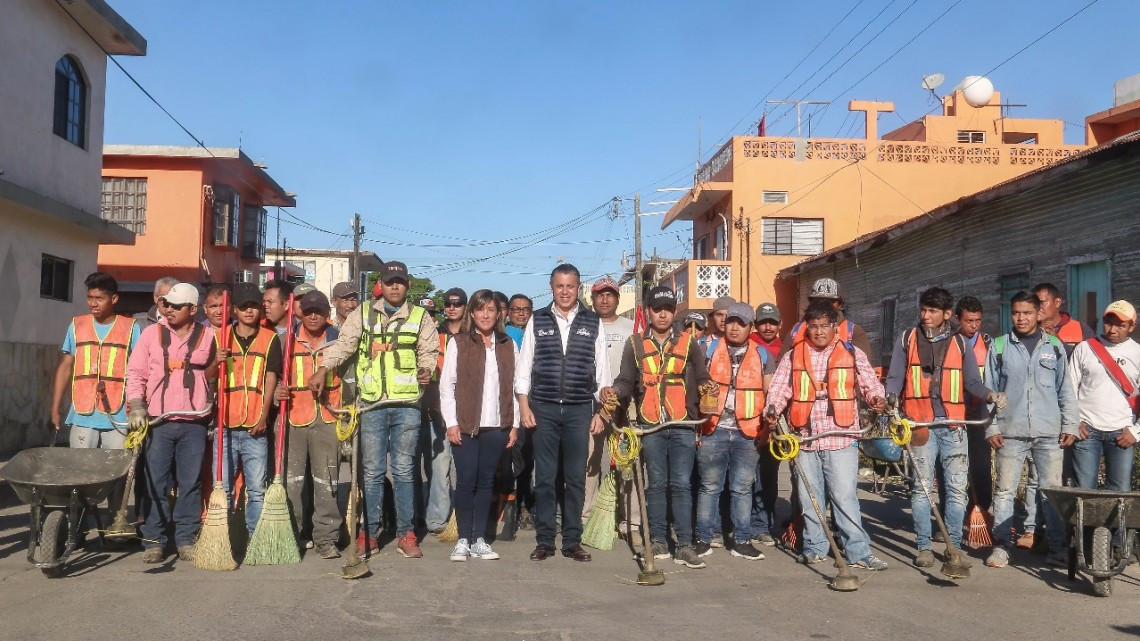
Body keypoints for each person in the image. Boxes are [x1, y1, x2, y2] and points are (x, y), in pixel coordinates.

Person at [310, 261, 439, 559]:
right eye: (390, 281)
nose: (395, 287)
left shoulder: (421, 317)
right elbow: (344, 345)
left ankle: (406, 534)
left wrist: (426, 369)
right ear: (381, 284)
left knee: (405, 470)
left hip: (407, 404)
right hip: (370, 404)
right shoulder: (363, 313)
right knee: (371, 471)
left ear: (407, 285)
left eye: (400, 282)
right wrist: (323, 369)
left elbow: (429, 351)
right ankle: (369, 532)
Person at [766, 300, 889, 571]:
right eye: (813, 326)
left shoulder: (851, 352)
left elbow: (870, 383)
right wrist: (772, 409)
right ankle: (815, 547)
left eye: (824, 326)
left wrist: (877, 398)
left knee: (844, 496)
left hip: (841, 437)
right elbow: (778, 389)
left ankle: (858, 551)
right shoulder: (793, 356)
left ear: (835, 327)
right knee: (810, 498)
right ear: (806, 328)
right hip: (805, 438)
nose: (819, 331)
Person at [884, 287, 998, 568]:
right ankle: (923, 547)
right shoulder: (907, 339)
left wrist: (990, 395)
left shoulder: (962, 344)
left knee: (957, 489)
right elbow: (895, 376)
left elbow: (972, 382)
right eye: (923, 310)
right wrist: (888, 397)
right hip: (919, 423)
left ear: (947, 314)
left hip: (953, 426)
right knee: (922, 489)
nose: (925, 316)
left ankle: (953, 547)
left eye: (932, 311)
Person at [516, 263, 613, 562]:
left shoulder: (592, 322)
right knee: (544, 477)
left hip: (578, 409)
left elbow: (603, 374)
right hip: (543, 408)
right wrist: (523, 406)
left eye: (570, 286)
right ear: (551, 287)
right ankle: (545, 539)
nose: (565, 291)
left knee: (575, 478)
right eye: (560, 286)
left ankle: (572, 540)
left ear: (578, 287)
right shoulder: (538, 320)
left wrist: (602, 413)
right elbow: (524, 368)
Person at [609, 287, 707, 568]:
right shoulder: (635, 343)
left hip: (683, 424)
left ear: (675, 312)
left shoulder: (689, 343)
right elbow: (626, 380)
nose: (662, 313)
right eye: (656, 308)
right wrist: (615, 391)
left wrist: (707, 387)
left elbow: (702, 376)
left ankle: (685, 545)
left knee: (681, 485)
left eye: (668, 308)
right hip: (650, 426)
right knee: (656, 486)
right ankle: (659, 540)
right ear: (647, 311)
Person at [983, 291, 1078, 569]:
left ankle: (1057, 548)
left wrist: (1070, 423)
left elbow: (1066, 390)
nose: (1021, 318)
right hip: (1010, 432)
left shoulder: (1056, 347)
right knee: (1004, 491)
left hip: (1049, 432)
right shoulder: (999, 347)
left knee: (1052, 492)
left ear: (1038, 314)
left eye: (1027, 313)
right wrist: (992, 428)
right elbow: (990, 390)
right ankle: (1002, 546)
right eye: (1015, 313)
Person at [126, 282, 216, 563]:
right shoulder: (151, 334)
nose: (170, 310)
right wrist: (137, 406)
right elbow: (136, 372)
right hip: (158, 422)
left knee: (190, 483)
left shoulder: (209, 336)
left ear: (193, 309)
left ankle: (186, 539)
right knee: (156, 483)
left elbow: (219, 375)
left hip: (195, 422)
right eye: (167, 304)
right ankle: (154, 540)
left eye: (177, 306)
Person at [51, 272, 141, 519]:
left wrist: (137, 405)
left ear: (114, 299)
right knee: (79, 474)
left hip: (119, 416)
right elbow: (65, 366)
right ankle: (76, 525)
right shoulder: (77, 325)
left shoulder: (131, 328)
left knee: (118, 475)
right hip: (82, 413)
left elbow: (138, 369)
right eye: (90, 297)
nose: (93, 303)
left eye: (99, 298)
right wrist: (55, 407)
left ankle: (116, 522)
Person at [439, 289, 520, 562]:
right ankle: (463, 539)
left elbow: (516, 387)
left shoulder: (508, 344)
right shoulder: (459, 342)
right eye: (480, 309)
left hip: (497, 425)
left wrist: (514, 425)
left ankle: (479, 539)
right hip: (465, 424)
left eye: (491, 310)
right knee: (466, 482)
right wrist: (451, 422)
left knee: (486, 483)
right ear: (471, 313)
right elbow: (447, 386)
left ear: (498, 314)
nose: (485, 315)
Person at [695, 302, 769, 562]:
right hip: (713, 429)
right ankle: (703, 539)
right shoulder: (707, 348)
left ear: (751, 327)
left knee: (741, 489)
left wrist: (767, 428)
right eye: (731, 322)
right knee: (709, 487)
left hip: (747, 432)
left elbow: (768, 393)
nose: (735, 327)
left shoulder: (762, 355)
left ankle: (742, 541)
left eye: (742, 323)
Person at [278, 290, 343, 559]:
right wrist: (275, 394)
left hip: (329, 418)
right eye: (308, 310)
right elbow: (272, 377)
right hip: (294, 417)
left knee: (326, 481)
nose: (313, 315)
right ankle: (292, 534)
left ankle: (326, 538)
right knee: (292, 482)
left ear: (328, 313)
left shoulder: (339, 340)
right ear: (300, 312)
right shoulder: (286, 341)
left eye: (319, 311)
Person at [214, 282, 280, 537]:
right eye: (243, 307)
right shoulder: (220, 337)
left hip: (255, 427)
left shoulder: (270, 339)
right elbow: (209, 376)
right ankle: (223, 538)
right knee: (224, 488)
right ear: (234, 311)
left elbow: (271, 379)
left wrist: (264, 416)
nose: (249, 312)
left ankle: (255, 538)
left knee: (256, 489)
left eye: (254, 306)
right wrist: (215, 361)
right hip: (225, 426)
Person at [1069, 301, 1140, 494]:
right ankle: (1085, 526)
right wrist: (1074, 421)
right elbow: (1070, 388)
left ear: (1132, 326)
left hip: (1122, 432)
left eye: (1121, 325)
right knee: (1083, 492)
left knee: (1120, 494)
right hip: (1086, 431)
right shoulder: (1084, 348)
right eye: (1108, 322)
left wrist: (1136, 432)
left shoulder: (1138, 354)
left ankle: (1116, 527)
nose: (1113, 329)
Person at [584, 276, 634, 524]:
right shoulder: (583, 326)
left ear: (617, 298)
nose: (605, 299)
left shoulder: (632, 328)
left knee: (627, 461)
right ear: (592, 299)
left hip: (625, 405)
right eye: (600, 294)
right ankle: (586, 515)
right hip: (592, 405)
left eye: (610, 294)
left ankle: (630, 518)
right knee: (589, 463)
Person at [421, 287, 467, 535]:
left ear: (465, 307)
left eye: (458, 303)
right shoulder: (433, 335)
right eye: (448, 304)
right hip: (436, 410)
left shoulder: (473, 336)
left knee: (463, 469)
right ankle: (438, 519)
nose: (452, 307)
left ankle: (463, 515)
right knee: (439, 467)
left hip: (466, 412)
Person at [956, 296, 995, 515]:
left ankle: (981, 508)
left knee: (980, 466)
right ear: (957, 319)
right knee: (953, 467)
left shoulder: (989, 344)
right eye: (969, 321)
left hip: (980, 415)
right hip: (954, 414)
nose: (973, 326)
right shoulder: (947, 343)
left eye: (977, 321)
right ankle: (951, 513)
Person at [780, 278, 872, 358]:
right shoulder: (796, 331)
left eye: (830, 301)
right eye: (819, 300)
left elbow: (863, 369)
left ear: (840, 304)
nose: (824, 305)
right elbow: (781, 367)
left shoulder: (852, 332)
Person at [1034, 282, 1095, 355]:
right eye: (1035, 303)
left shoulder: (1082, 329)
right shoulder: (1027, 328)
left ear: (1057, 302)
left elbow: (1089, 360)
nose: (1037, 307)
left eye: (1041, 302)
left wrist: (1057, 342)